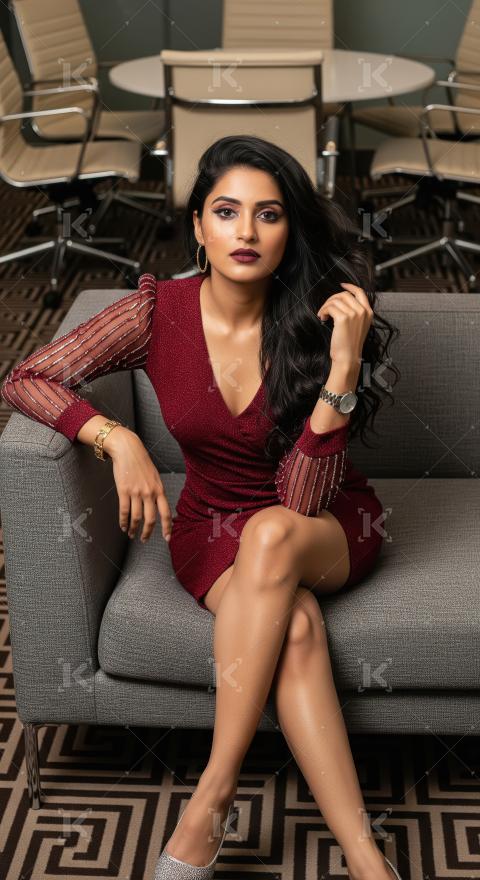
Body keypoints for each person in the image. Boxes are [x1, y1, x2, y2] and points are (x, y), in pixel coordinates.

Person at [1, 134, 401, 880]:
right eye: (226, 211)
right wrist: (115, 439)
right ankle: (367, 859)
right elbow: (27, 375)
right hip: (212, 529)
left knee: (278, 533)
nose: (246, 233)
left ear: (290, 230)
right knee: (301, 630)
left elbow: (301, 498)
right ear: (197, 225)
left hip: (325, 525)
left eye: (268, 214)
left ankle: (211, 800)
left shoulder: (320, 320)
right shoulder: (158, 313)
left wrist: (343, 370)